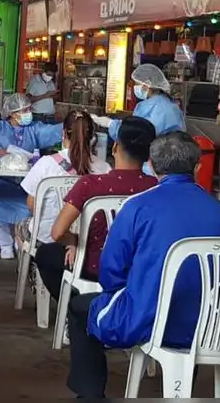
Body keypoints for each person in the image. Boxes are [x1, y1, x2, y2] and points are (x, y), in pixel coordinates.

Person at [65, 132, 220, 398]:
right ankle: (182, 388)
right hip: (213, 324)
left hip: (149, 319)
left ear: (152, 166)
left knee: (79, 307)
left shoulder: (138, 207)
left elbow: (110, 273)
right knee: (192, 298)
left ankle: (90, 395)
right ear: (197, 167)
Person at [34, 117, 158, 301]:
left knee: (45, 254)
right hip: (141, 270)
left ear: (115, 147)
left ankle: (74, 306)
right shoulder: (155, 187)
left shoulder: (90, 184)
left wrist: (77, 241)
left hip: (94, 267)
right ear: (149, 156)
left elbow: (58, 232)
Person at [0, 93, 64, 259]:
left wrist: (71, 123)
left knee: (29, 206)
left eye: (29, 109)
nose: (29, 113)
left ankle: (20, 237)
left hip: (25, 183)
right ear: (13, 113)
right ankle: (4, 244)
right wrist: (0, 152)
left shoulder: (34, 129)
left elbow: (51, 132)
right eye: (25, 110)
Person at [18, 110, 111, 247]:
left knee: (21, 227)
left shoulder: (46, 164)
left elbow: (32, 205)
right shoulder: (105, 168)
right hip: (87, 239)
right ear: (92, 136)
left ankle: (31, 264)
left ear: (63, 134)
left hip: (48, 237)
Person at [91, 63, 186, 140]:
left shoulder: (157, 109)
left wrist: (111, 124)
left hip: (157, 159)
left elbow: (137, 134)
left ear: (147, 84)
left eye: (137, 84)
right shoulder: (168, 104)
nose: (135, 87)